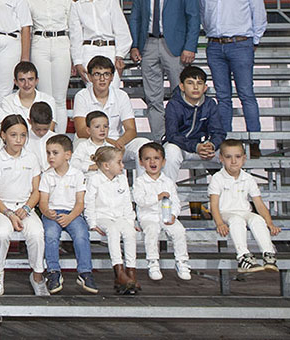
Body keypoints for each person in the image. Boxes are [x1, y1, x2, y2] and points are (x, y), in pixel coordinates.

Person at [197, 0, 268, 158]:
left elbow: (259, 11)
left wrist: (253, 40)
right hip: (215, 46)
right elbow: (202, 14)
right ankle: (225, 143)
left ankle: (254, 141)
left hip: (241, 44)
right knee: (223, 97)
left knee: (246, 93)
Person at [130, 0, 200, 140]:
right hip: (149, 45)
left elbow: (193, 17)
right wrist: (135, 44)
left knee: (182, 96)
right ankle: (159, 139)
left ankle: (182, 137)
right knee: (153, 98)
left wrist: (190, 46)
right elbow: (136, 16)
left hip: (176, 48)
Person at [0, 115, 47, 296]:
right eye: (13, 135)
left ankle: (37, 276)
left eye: (22, 135)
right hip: (0, 209)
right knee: (1, 233)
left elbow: (36, 191)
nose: (18, 140)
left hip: (26, 208)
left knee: (36, 234)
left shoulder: (32, 158)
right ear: (3, 135)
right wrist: (10, 213)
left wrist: (27, 208)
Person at [208, 139, 280, 273]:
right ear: (221, 159)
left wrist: (269, 223)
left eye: (238, 157)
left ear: (244, 159)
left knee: (258, 219)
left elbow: (259, 203)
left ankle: (268, 254)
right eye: (228, 157)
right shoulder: (218, 178)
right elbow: (214, 204)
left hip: (244, 211)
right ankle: (243, 256)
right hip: (226, 212)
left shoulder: (248, 178)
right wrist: (219, 223)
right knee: (237, 220)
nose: (233, 161)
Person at [38, 134, 97, 294]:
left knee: (81, 234)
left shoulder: (77, 174)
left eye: (55, 153)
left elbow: (80, 202)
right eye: (48, 152)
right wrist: (47, 212)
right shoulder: (46, 175)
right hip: (52, 213)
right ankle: (53, 272)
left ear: (67, 155)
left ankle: (85, 272)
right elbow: (43, 201)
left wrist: (71, 216)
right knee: (50, 235)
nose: (50, 157)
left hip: (73, 213)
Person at [72, 56, 148, 178]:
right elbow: (81, 131)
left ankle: (143, 189)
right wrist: (109, 143)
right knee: (79, 146)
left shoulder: (121, 95)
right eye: (97, 74)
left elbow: (131, 130)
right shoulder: (81, 96)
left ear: (112, 77)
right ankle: (85, 191)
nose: (102, 79)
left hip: (117, 141)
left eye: (106, 74)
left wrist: (119, 143)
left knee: (143, 145)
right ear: (90, 77)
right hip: (91, 141)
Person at [84, 145, 139, 295]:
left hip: (119, 217)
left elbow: (127, 203)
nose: (122, 166)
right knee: (113, 231)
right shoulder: (94, 179)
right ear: (106, 166)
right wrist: (92, 223)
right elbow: (89, 202)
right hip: (103, 216)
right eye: (119, 162)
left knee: (130, 233)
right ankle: (118, 271)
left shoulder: (121, 179)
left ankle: (131, 271)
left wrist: (130, 222)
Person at [133, 142, 190, 281]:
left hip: (166, 215)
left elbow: (175, 201)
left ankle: (182, 261)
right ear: (141, 162)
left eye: (156, 158)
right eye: (147, 159)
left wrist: (174, 215)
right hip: (148, 216)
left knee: (179, 231)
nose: (152, 162)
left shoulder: (168, 182)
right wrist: (157, 197)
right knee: (152, 231)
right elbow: (140, 201)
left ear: (163, 162)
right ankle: (153, 262)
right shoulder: (140, 182)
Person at [69, 0, 132, 88]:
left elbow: (122, 30)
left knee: (113, 92)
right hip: (88, 51)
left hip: (110, 50)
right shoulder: (76, 6)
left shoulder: (110, 1)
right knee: (92, 92)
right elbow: (75, 37)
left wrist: (120, 55)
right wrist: (78, 62)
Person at [26, 0, 73, 129]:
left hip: (61, 44)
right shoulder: (30, 2)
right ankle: (47, 136)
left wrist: (75, 57)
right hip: (40, 45)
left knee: (60, 98)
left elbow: (73, 28)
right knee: (45, 96)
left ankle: (60, 136)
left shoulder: (66, 0)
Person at [164, 65, 225, 181]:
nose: (195, 87)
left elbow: (219, 132)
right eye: (190, 83)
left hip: (204, 148)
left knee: (231, 151)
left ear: (205, 87)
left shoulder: (210, 104)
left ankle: (234, 193)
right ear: (182, 86)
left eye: (200, 83)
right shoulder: (173, 104)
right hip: (181, 147)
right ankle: (168, 194)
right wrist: (195, 147)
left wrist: (211, 145)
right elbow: (172, 135)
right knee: (170, 151)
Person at [0, 62, 58, 130]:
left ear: (37, 81)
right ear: (15, 82)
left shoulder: (48, 100)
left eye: (30, 79)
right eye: (22, 80)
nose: (27, 84)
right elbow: (9, 130)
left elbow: (49, 131)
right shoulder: (7, 102)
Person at [70, 110, 110, 176]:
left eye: (105, 126)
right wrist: (89, 167)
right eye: (97, 127)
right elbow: (74, 163)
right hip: (87, 180)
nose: (102, 130)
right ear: (88, 130)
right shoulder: (83, 146)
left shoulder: (111, 148)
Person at [24, 102, 58, 173]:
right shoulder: (24, 139)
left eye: (45, 129)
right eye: (38, 129)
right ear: (29, 121)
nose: (41, 132)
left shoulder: (56, 139)